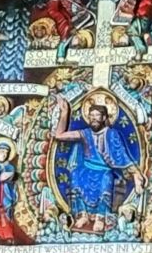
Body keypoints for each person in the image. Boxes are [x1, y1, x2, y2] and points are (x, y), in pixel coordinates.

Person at [50, 92, 143, 234]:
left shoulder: (112, 134)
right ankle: (83, 215)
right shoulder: (85, 133)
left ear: (104, 117)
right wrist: (64, 112)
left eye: (97, 115)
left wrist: (135, 174)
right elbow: (59, 135)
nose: (93, 118)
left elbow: (122, 157)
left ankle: (100, 218)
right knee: (75, 175)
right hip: (86, 168)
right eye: (91, 115)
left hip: (103, 169)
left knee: (106, 179)